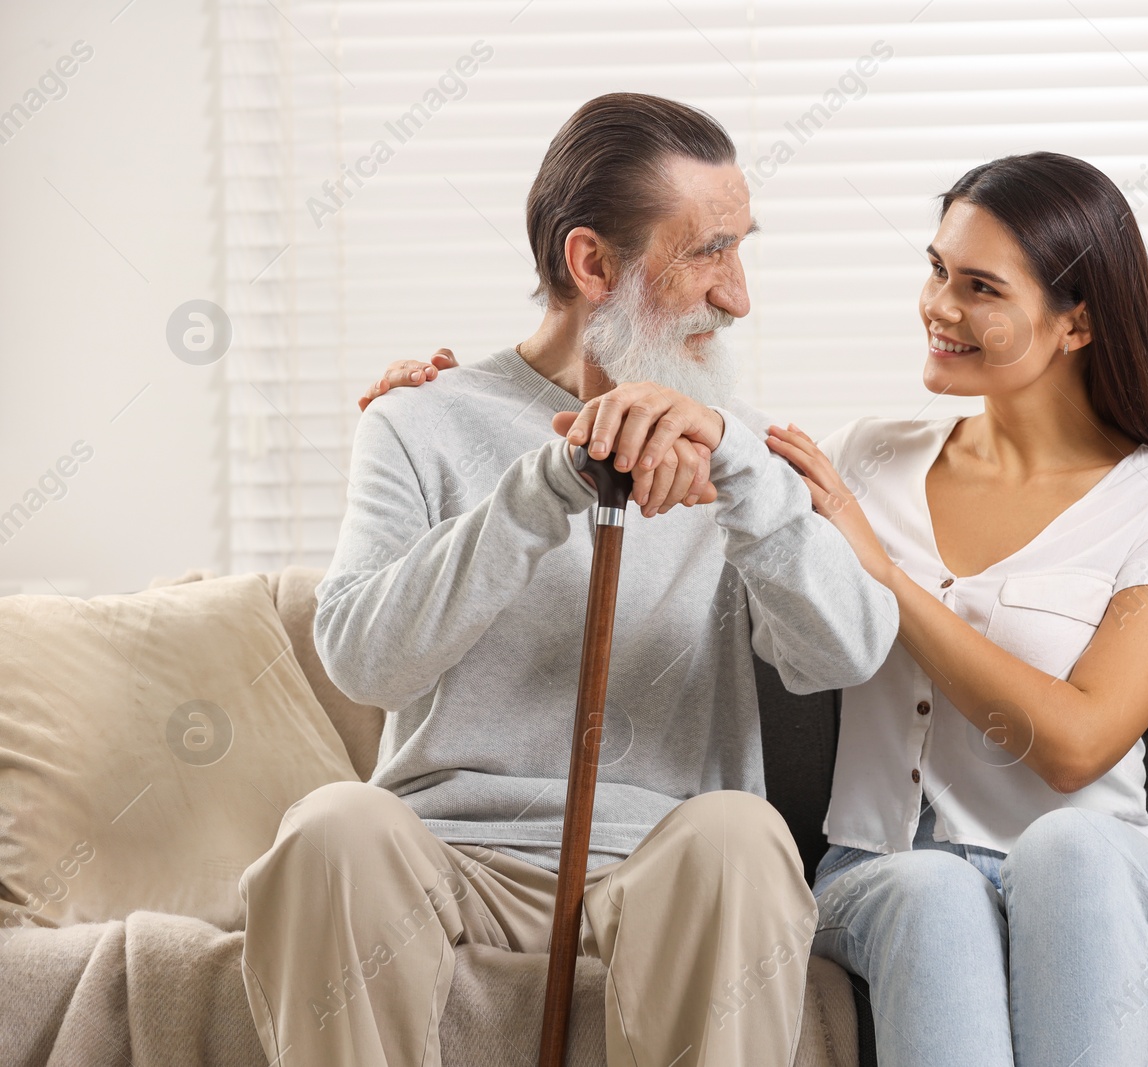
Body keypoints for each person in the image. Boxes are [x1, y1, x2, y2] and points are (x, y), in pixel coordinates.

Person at [371, 151, 1148, 1067]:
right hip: (885, 870)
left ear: (1079, 323)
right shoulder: (859, 457)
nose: (940, 306)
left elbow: (1076, 747)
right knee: (929, 889)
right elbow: (669, 418)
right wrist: (448, 397)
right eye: (937, 268)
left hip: (1092, 875)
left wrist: (883, 571)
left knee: (1066, 849)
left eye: (980, 286)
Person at [239, 92, 899, 1067]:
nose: (738, 293)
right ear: (592, 263)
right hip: (448, 852)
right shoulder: (418, 421)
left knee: (739, 833)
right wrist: (539, 489)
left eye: (739, 247)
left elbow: (845, 647)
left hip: (659, 858)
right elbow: (362, 661)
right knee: (332, 824)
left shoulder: (735, 446)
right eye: (707, 252)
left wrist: (740, 470)